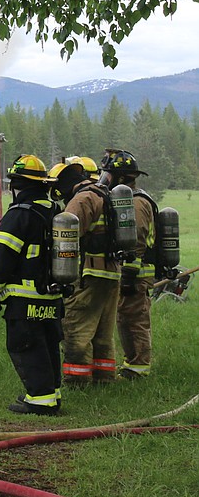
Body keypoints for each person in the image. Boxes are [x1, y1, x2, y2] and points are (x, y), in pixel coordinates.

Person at [0, 155, 64, 415]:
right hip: (53, 296)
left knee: (26, 346)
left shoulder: (19, 215)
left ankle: (40, 400)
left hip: (24, 297)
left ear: (18, 185)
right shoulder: (57, 212)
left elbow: (2, 260)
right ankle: (53, 393)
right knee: (49, 344)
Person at [48, 159, 118, 385]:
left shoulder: (81, 200)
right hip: (110, 273)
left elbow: (66, 238)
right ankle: (103, 378)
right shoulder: (103, 193)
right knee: (102, 332)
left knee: (77, 328)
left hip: (89, 273)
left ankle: (77, 381)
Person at [98, 148, 156, 380]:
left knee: (135, 318)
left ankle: (139, 367)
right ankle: (131, 363)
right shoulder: (125, 200)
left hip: (137, 272)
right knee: (125, 316)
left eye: (108, 175)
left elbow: (137, 241)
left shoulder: (137, 202)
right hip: (130, 270)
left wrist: (130, 274)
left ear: (120, 178)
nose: (105, 180)